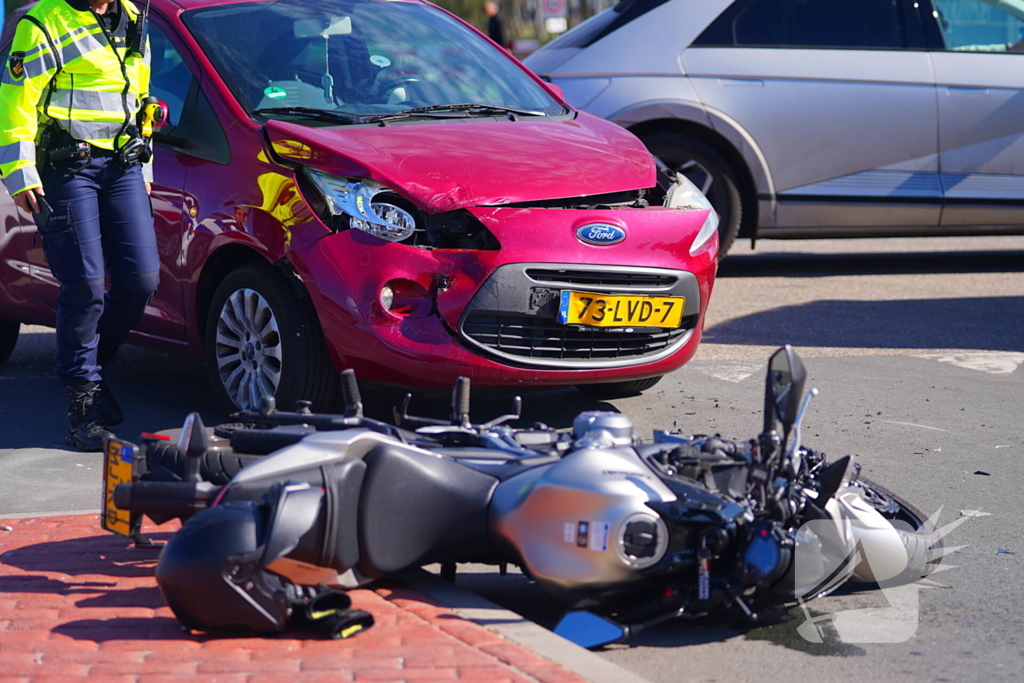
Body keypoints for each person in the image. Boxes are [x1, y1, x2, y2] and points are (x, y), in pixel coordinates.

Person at [0, 0, 159, 451]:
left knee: (141, 280)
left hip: (123, 167)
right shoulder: (42, 21)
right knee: (84, 285)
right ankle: (82, 407)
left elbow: (138, 99)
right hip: (68, 168)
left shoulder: (133, 15)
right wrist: (20, 174)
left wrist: (145, 171)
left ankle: (95, 367)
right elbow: (15, 103)